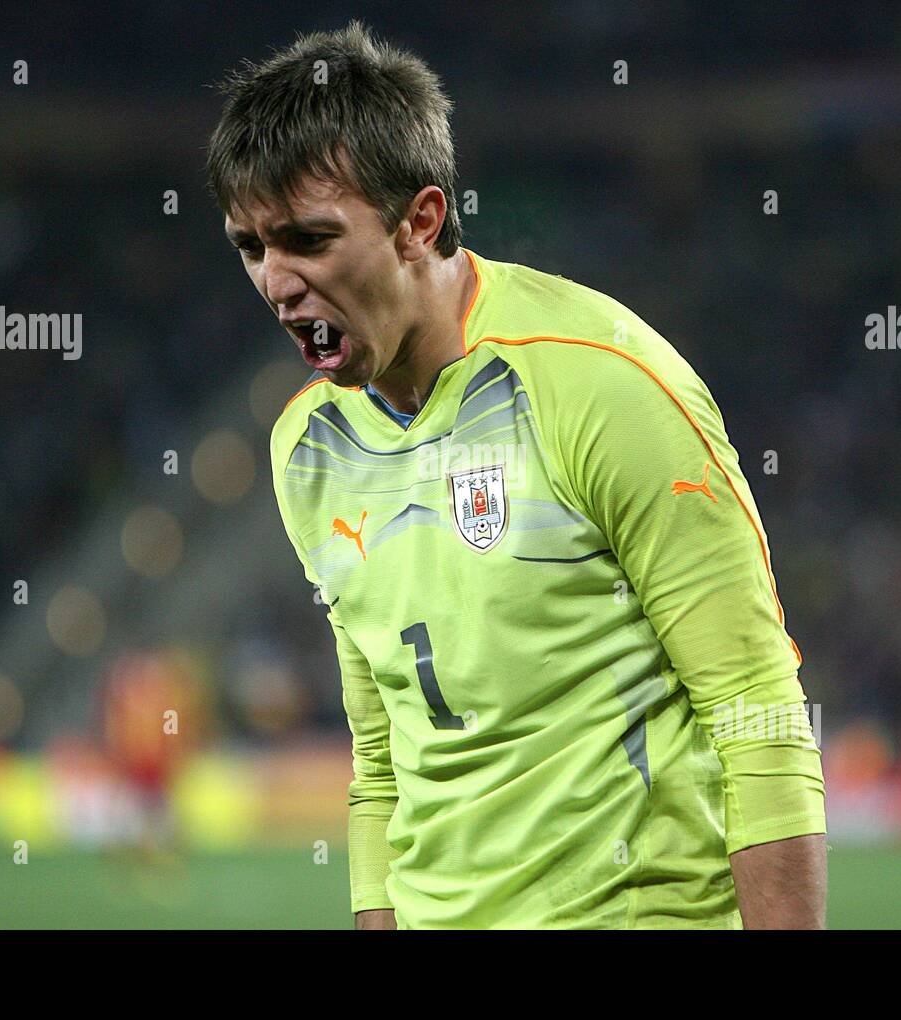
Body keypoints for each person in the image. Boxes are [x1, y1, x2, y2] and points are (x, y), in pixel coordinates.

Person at [207, 20, 826, 929]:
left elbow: (757, 709)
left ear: (419, 221)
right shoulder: (307, 448)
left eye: (308, 239)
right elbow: (381, 759)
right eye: (251, 248)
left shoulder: (604, 384)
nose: (277, 281)